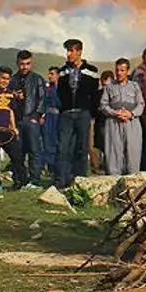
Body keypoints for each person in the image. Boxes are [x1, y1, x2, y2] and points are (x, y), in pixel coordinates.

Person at [55, 39, 100, 189]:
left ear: (79, 52)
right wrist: (63, 108)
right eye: (67, 51)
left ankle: (80, 180)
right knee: (63, 147)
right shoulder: (62, 71)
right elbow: (60, 93)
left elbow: (95, 95)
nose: (68, 54)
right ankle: (61, 180)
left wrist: (91, 112)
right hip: (66, 114)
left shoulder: (92, 70)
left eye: (71, 50)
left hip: (83, 113)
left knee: (82, 148)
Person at [100, 59, 146, 175]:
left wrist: (131, 114)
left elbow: (141, 104)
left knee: (133, 153)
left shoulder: (134, 86)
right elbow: (103, 105)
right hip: (114, 123)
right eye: (117, 70)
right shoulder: (109, 87)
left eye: (122, 70)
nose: (119, 73)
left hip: (132, 123)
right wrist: (115, 113)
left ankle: (133, 181)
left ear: (127, 71)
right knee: (114, 154)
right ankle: (114, 181)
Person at [10, 50, 46, 188]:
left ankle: (34, 180)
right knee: (17, 152)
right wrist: (14, 96)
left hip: (31, 119)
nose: (25, 67)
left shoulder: (38, 79)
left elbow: (42, 99)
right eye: (22, 64)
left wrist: (36, 116)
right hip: (17, 120)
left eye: (27, 64)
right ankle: (19, 180)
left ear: (31, 63)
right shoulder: (13, 80)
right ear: (17, 63)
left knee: (34, 151)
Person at [42, 66, 61, 180]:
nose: (49, 76)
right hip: (49, 117)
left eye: (52, 74)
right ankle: (50, 167)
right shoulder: (47, 88)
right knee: (48, 140)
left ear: (58, 75)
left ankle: (58, 167)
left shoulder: (62, 88)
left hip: (59, 117)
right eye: (49, 74)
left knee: (58, 141)